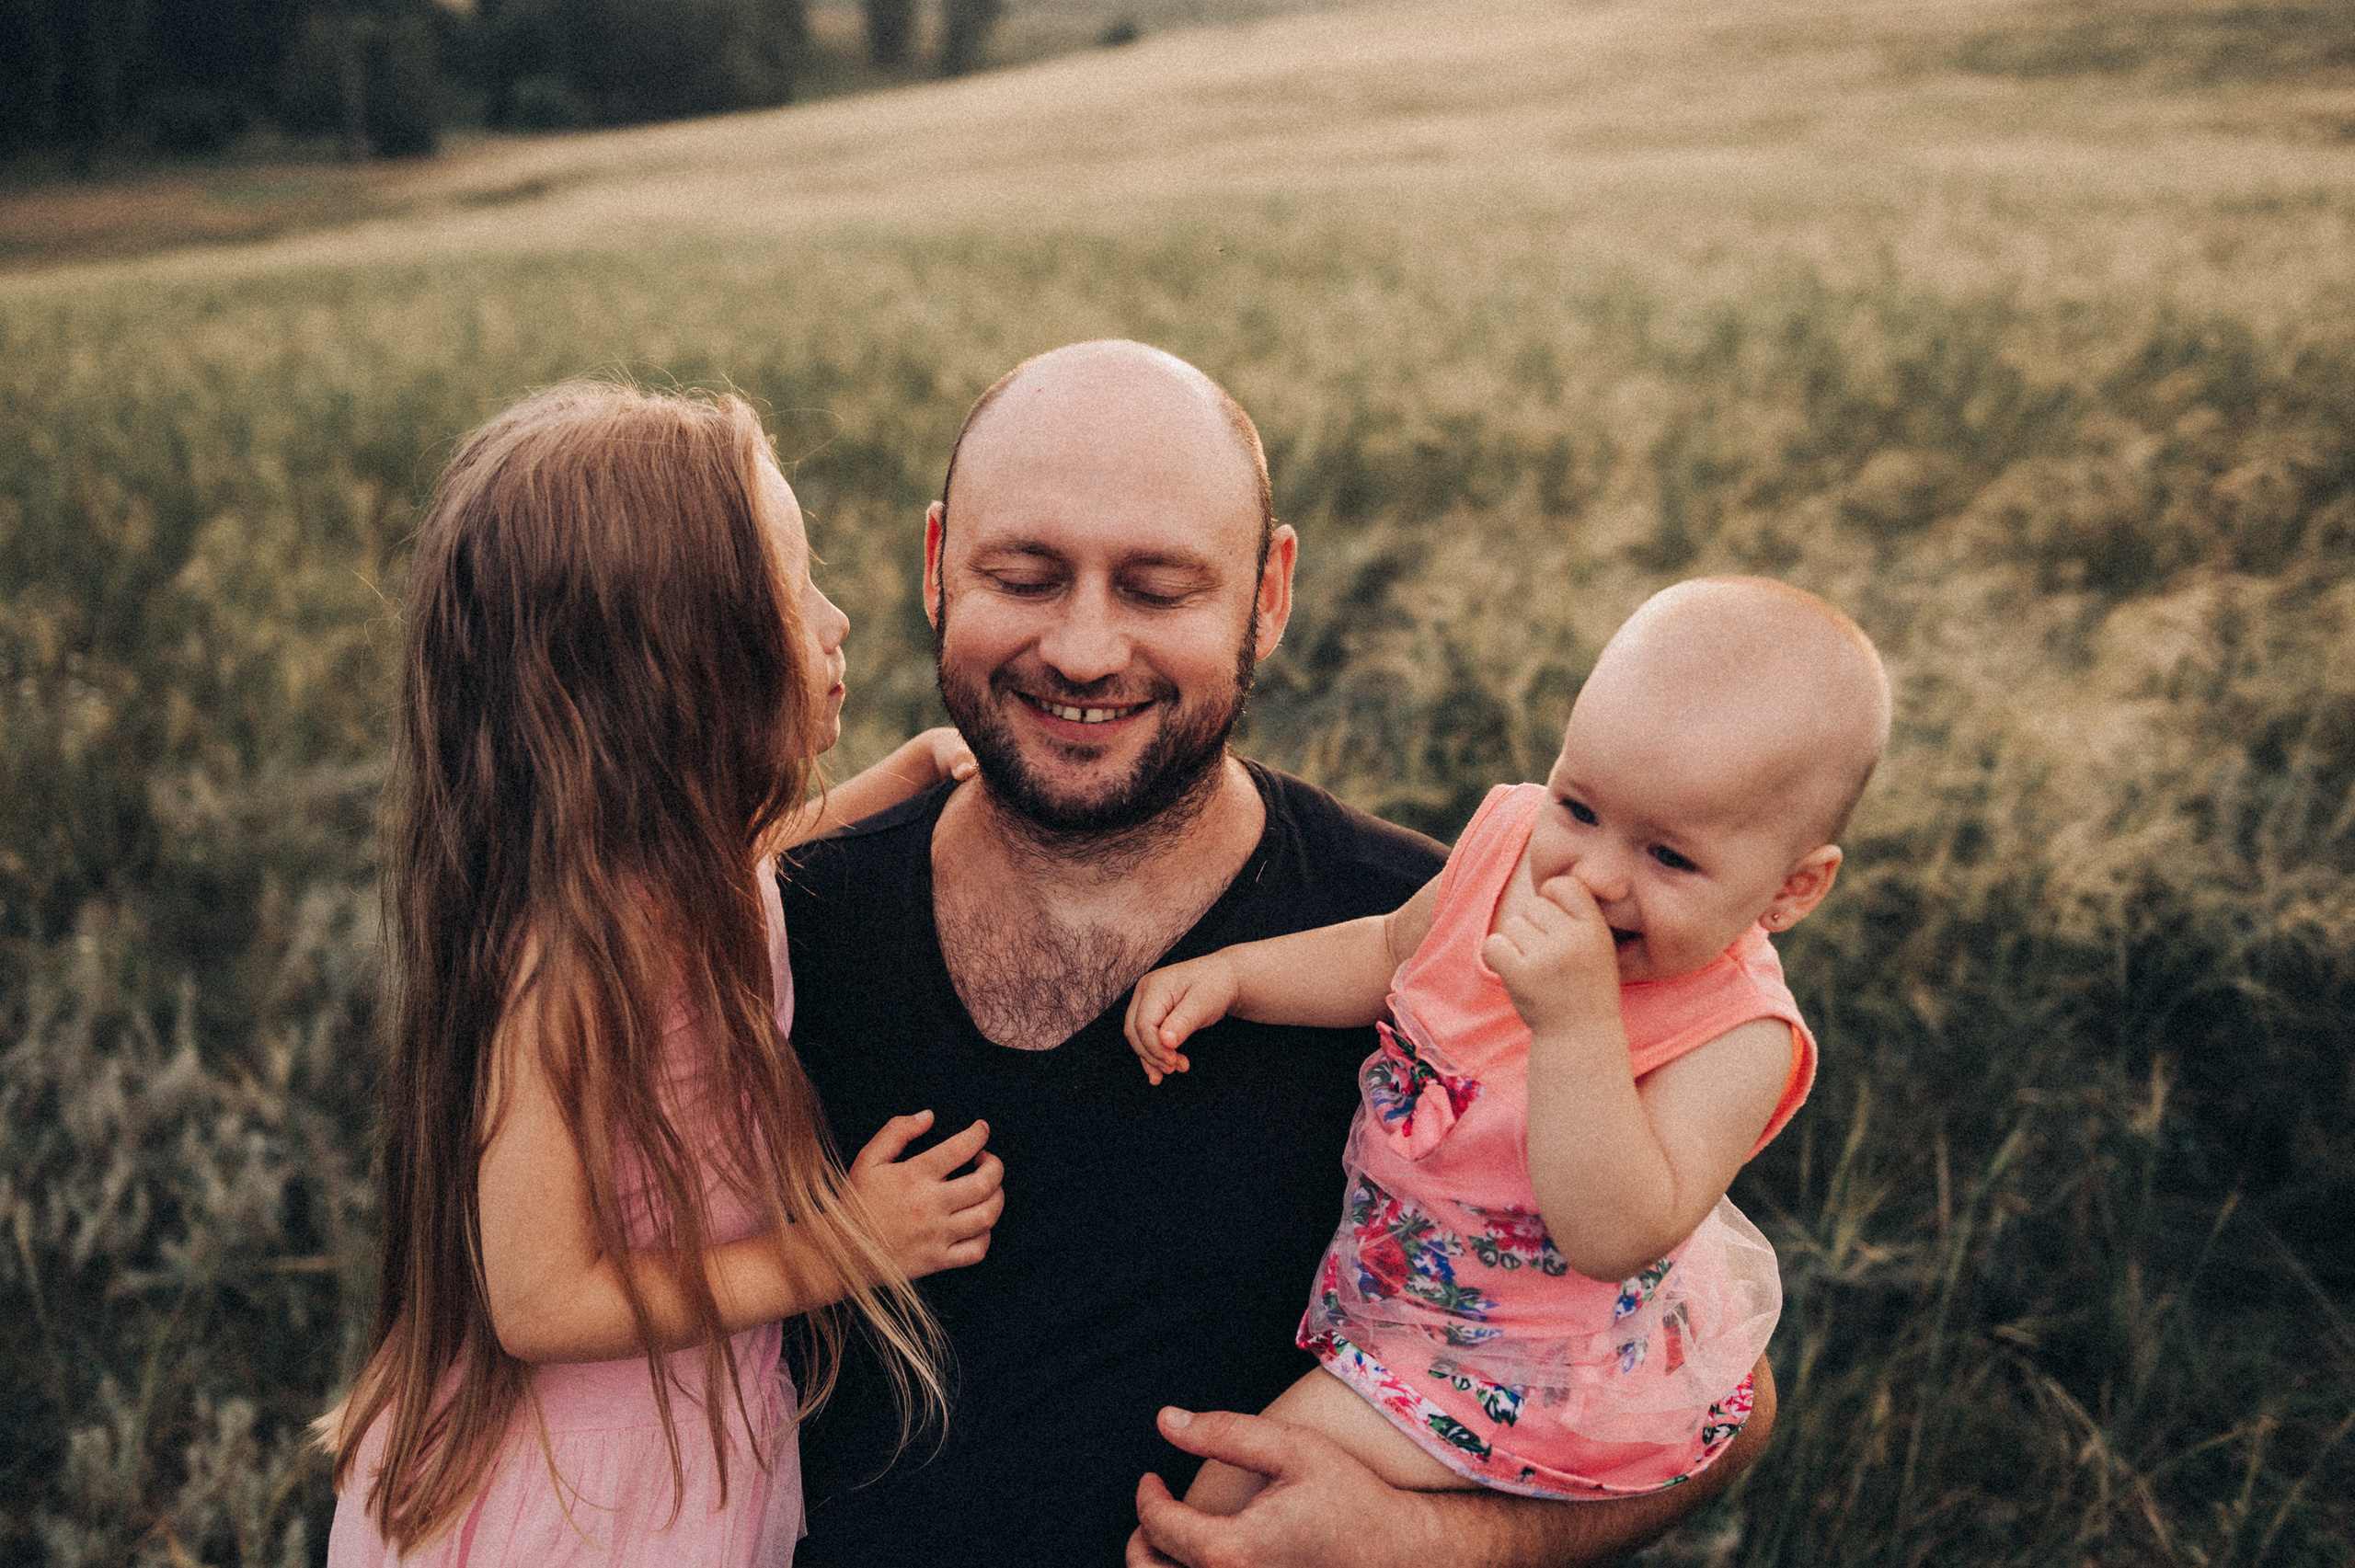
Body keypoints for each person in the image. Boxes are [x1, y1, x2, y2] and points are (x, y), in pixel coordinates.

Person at [783, 340, 1780, 1568]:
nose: (1087, 649)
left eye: (1159, 590)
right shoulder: (774, 924)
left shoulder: (1472, 947)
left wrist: (1425, 1541)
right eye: (1028, 576)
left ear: (1269, 593)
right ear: (939, 567)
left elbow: (1711, 1398)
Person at [319, 382, 1005, 1565]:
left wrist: (880, 792)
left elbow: (727, 878)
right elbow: (536, 1299)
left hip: (686, 1440)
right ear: (682, 662)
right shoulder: (569, 965)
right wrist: (843, 1248)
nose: (837, 618)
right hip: (588, 1496)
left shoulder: (649, 870)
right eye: (795, 591)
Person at [1126, 577, 1887, 1512]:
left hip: (1536, 1373)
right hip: (1404, 1296)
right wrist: (1239, 976)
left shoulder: (1736, 1032)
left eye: (1670, 857)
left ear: (1791, 890)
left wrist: (1575, 1026)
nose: (1593, 872)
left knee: (1234, 1495)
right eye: (1579, 806)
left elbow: (1613, 1231)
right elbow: (1388, 951)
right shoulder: (1505, 849)